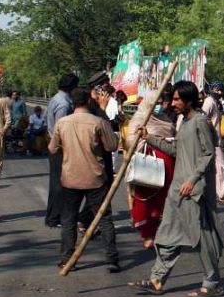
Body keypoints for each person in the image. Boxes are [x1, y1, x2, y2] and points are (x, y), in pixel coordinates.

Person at [129, 80, 224, 297]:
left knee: (202, 238)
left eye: (177, 99)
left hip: (193, 192)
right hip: (177, 191)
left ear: (188, 100)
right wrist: (150, 138)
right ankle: (157, 279)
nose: (172, 103)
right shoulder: (183, 122)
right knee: (167, 234)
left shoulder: (200, 122)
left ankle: (212, 283)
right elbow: (177, 149)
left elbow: (208, 154)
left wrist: (192, 180)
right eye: (173, 99)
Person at [48, 88, 120, 272]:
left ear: (72, 103)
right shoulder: (98, 122)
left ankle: (66, 258)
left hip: (70, 178)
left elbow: (52, 148)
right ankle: (112, 259)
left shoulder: (62, 123)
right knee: (104, 219)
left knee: (68, 219)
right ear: (89, 101)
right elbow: (112, 146)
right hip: (95, 178)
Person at [128, 85, 176, 249]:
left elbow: (173, 138)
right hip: (147, 162)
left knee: (161, 200)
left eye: (163, 102)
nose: (162, 105)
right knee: (144, 197)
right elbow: (130, 141)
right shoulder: (141, 117)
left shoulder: (166, 119)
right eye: (158, 102)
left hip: (167, 163)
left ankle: (157, 231)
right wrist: (143, 138)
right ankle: (147, 234)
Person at [46, 73, 79, 227]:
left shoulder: (56, 98)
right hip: (60, 147)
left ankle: (52, 217)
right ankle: (55, 217)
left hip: (55, 145)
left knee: (55, 184)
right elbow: (61, 128)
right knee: (60, 185)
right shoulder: (64, 104)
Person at [201, 82, 224, 205]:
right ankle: (220, 195)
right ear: (212, 90)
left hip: (214, 141)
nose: (220, 92)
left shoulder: (215, 103)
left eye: (221, 90)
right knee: (222, 167)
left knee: (216, 169)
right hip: (211, 141)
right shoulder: (209, 102)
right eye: (217, 90)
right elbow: (203, 118)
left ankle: (217, 194)